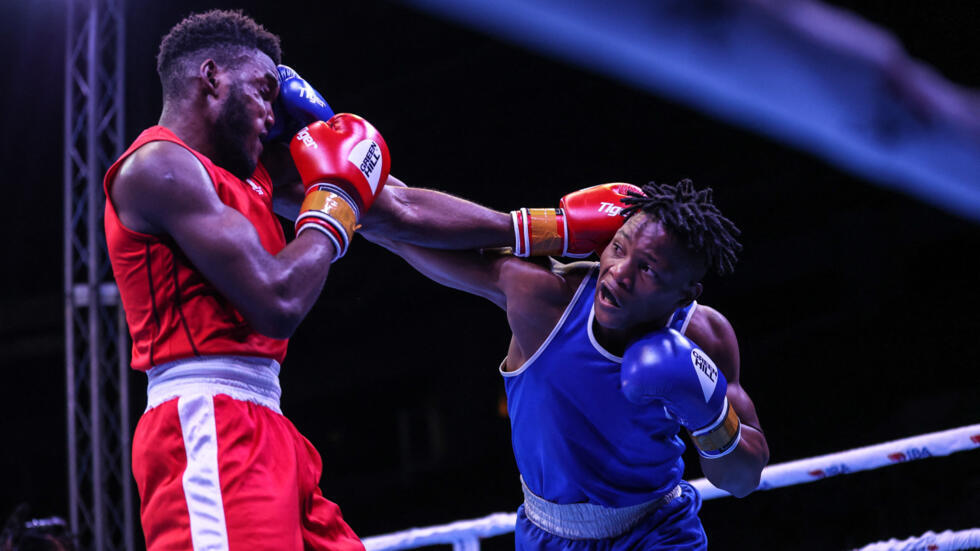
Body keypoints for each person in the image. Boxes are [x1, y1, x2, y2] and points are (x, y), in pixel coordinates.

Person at [103, 9, 394, 550]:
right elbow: (278, 300)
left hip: (269, 423)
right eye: (263, 91)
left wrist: (545, 230)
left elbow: (397, 207)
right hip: (207, 422)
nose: (270, 113)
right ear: (212, 77)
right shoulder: (159, 166)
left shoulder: (252, 180)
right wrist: (336, 205)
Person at [362, 179, 770, 549]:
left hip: (659, 530)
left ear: (685, 295)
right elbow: (396, 224)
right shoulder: (547, 298)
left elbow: (742, 480)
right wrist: (335, 189)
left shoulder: (704, 336)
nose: (619, 274)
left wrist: (712, 416)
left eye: (647, 269)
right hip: (549, 536)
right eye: (618, 247)